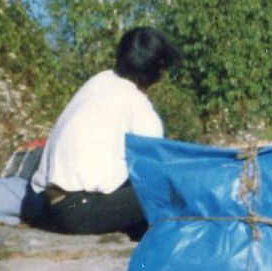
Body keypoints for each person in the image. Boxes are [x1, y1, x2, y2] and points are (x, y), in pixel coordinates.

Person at [21, 26, 179, 240]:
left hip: (47, 203)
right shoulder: (138, 107)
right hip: (76, 210)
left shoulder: (99, 81)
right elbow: (153, 170)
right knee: (169, 190)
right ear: (158, 71)